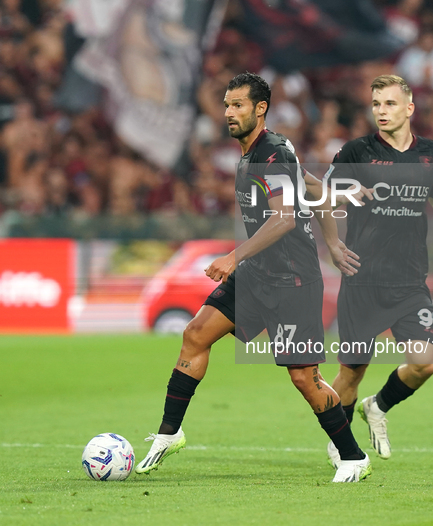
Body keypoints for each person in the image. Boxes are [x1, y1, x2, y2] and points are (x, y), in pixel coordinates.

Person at [135, 72, 371, 483]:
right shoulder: (253, 153)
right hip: (257, 275)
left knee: (304, 378)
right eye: (227, 105)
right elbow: (318, 191)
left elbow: (282, 219)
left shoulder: (273, 153)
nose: (228, 113)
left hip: (293, 281)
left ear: (260, 109)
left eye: (238, 105)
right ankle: (169, 434)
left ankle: (353, 456)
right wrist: (332, 242)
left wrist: (233, 256)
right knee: (195, 334)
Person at [323, 74, 433, 462]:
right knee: (352, 372)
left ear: (409, 108)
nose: (381, 111)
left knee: (425, 362)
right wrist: (332, 244)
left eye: (390, 104)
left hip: (409, 280)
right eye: (376, 104)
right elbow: (321, 194)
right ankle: (342, 446)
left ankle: (377, 406)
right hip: (362, 279)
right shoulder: (356, 152)